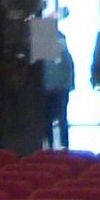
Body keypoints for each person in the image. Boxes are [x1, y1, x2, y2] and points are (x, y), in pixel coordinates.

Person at [39, 9, 76, 148]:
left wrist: (65, 85)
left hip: (58, 88)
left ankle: (63, 145)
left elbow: (66, 65)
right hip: (50, 88)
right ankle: (50, 145)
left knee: (60, 118)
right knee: (49, 119)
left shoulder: (60, 40)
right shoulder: (44, 42)